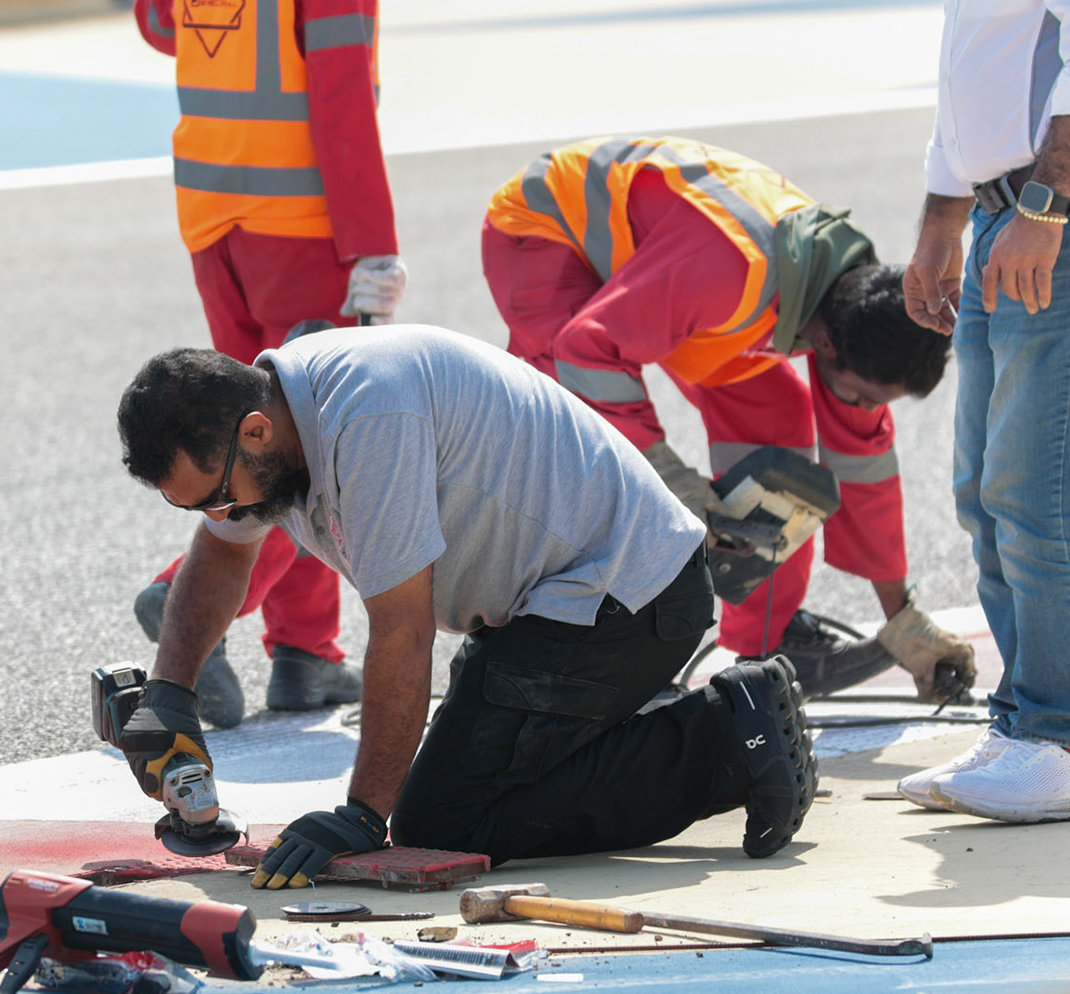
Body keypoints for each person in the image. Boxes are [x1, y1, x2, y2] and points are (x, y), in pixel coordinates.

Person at [114, 326, 820, 889]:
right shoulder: (273, 427)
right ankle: (646, 720)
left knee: (447, 821)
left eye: (215, 494)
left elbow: (402, 628)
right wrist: (169, 693)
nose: (222, 511)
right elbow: (224, 552)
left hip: (628, 596)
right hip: (566, 604)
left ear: (256, 431)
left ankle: (728, 734)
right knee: (472, 784)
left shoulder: (366, 414)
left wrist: (363, 815)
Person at [482, 135, 971, 701]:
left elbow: (866, 473)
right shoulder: (735, 274)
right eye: (863, 397)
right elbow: (585, 351)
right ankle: (561, 656)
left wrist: (903, 619)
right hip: (545, 233)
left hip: (666, 276)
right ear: (829, 348)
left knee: (779, 428)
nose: (861, 409)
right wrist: (669, 480)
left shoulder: (847, 305)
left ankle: (764, 641)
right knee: (576, 443)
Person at [128, 0, 406, 726]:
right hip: (304, 218)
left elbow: (158, 18)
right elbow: (340, 87)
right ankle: (190, 592)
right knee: (307, 445)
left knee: (248, 428)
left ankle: (307, 650)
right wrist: (373, 244)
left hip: (215, 219)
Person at [895, 0, 1070, 822]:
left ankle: (1055, 737)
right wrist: (942, 216)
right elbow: (976, 69)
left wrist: (1048, 204)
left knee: (1039, 495)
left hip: (1050, 216)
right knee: (986, 497)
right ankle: (1024, 726)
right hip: (1005, 212)